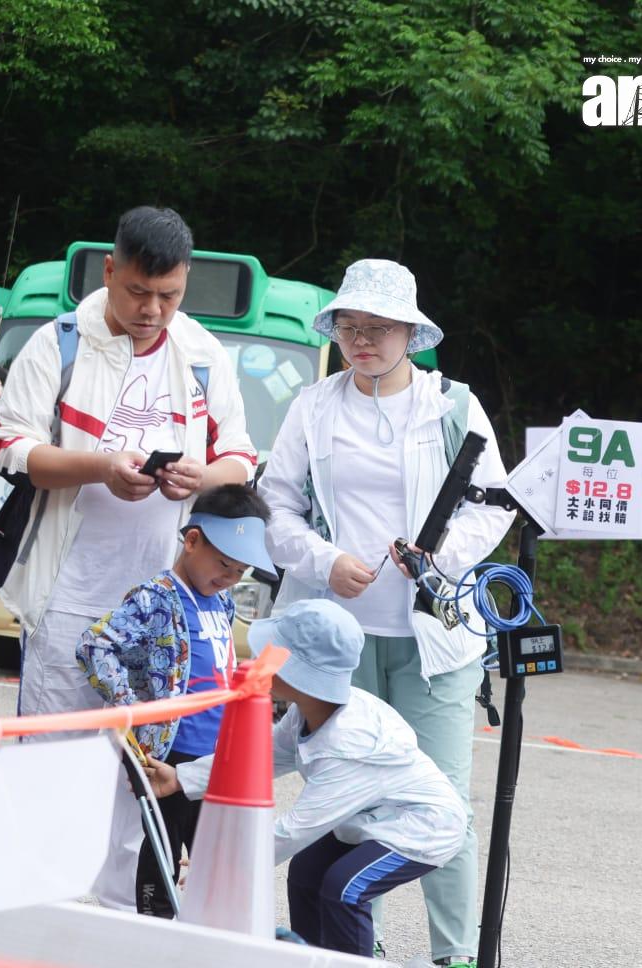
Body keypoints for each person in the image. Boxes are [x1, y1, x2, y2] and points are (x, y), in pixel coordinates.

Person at [0, 205, 258, 909]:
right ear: (109, 271)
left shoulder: (199, 353)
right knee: (52, 761)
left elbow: (240, 457)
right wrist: (102, 467)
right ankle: (31, 916)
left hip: (162, 607)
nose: (153, 309)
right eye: (139, 291)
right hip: (68, 593)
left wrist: (202, 475)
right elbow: (9, 447)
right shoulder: (59, 345)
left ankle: (112, 919)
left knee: (139, 768)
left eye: (169, 295)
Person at [257, 259, 513, 967]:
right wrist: (320, 560)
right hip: (336, 639)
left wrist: (440, 558)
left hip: (436, 640)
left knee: (444, 803)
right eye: (350, 326)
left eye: (378, 327)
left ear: (411, 332)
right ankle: (331, 947)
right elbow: (276, 506)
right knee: (334, 789)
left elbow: (491, 507)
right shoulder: (314, 405)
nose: (362, 339)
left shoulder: (451, 404)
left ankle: (455, 955)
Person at [145, 599, 467, 957]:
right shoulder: (308, 712)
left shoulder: (346, 746)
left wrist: (221, 866)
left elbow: (294, 829)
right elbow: (259, 757)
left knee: (345, 889)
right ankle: (308, 958)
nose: (259, 660)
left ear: (298, 670)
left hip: (422, 827)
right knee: (305, 872)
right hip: (372, 817)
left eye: (272, 652)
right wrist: (180, 778)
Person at [76, 484, 275, 919]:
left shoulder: (221, 602)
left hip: (214, 752)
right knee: (162, 845)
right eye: (224, 564)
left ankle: (203, 930)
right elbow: (94, 646)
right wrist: (132, 706)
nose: (229, 577)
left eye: (240, 571)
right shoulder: (154, 597)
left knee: (214, 852)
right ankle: (155, 927)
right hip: (166, 748)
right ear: (191, 540)